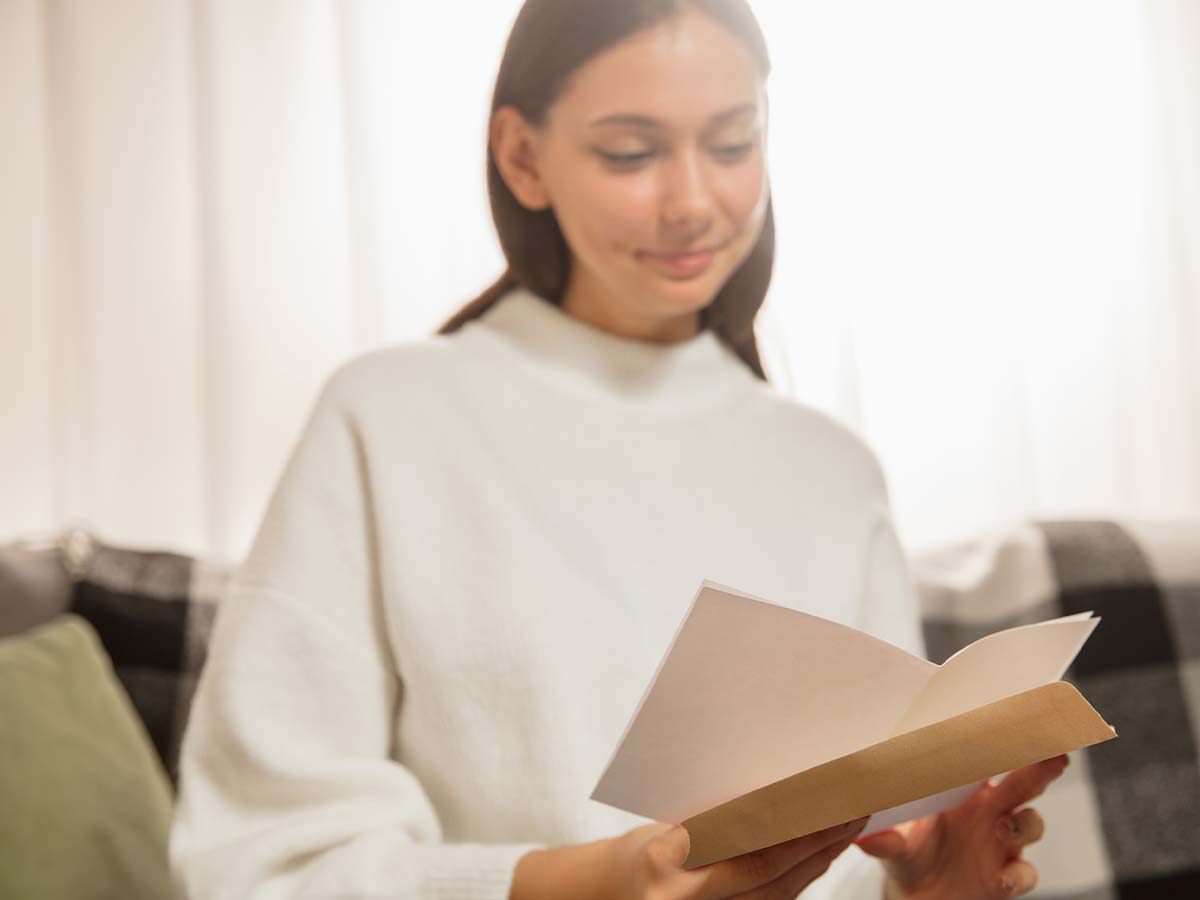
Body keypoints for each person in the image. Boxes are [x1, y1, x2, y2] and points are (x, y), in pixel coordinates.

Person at [168, 1, 1067, 898]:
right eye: (631, 153)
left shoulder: (832, 469)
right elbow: (265, 860)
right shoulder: (387, 420)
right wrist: (596, 882)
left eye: (730, 144)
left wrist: (929, 890)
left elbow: (869, 841)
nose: (691, 203)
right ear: (523, 157)